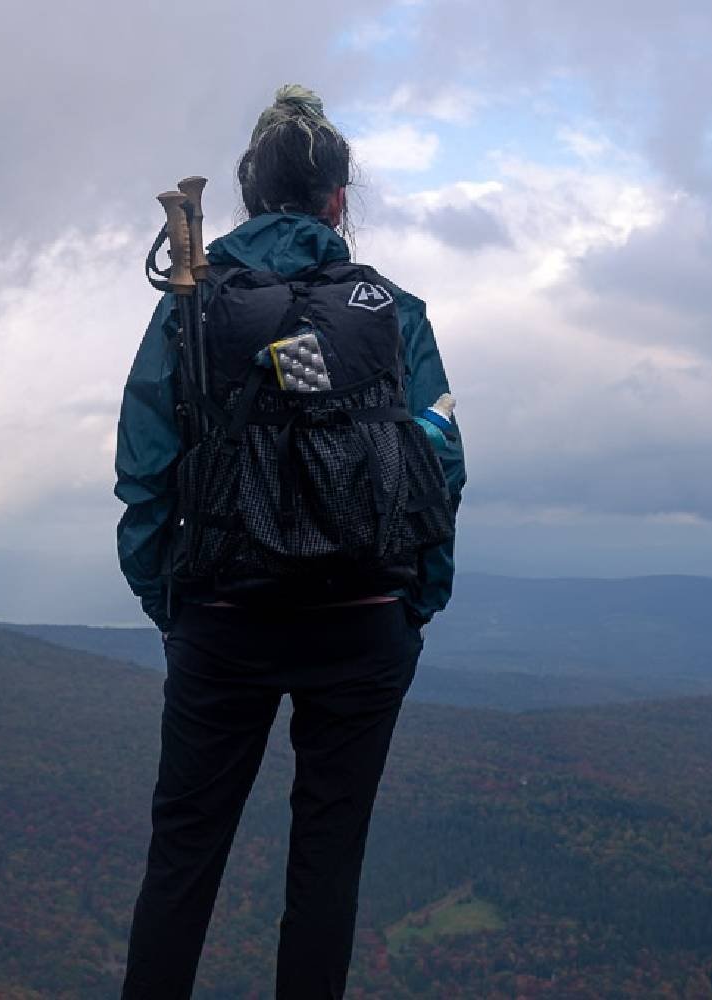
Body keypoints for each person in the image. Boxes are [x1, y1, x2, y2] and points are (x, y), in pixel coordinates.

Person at [114, 84, 466, 999]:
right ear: (338, 201)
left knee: (184, 860)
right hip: (364, 619)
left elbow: (146, 467)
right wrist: (413, 607)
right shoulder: (391, 309)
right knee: (327, 864)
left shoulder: (195, 303)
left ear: (246, 194)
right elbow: (439, 467)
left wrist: (172, 604)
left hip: (223, 616)